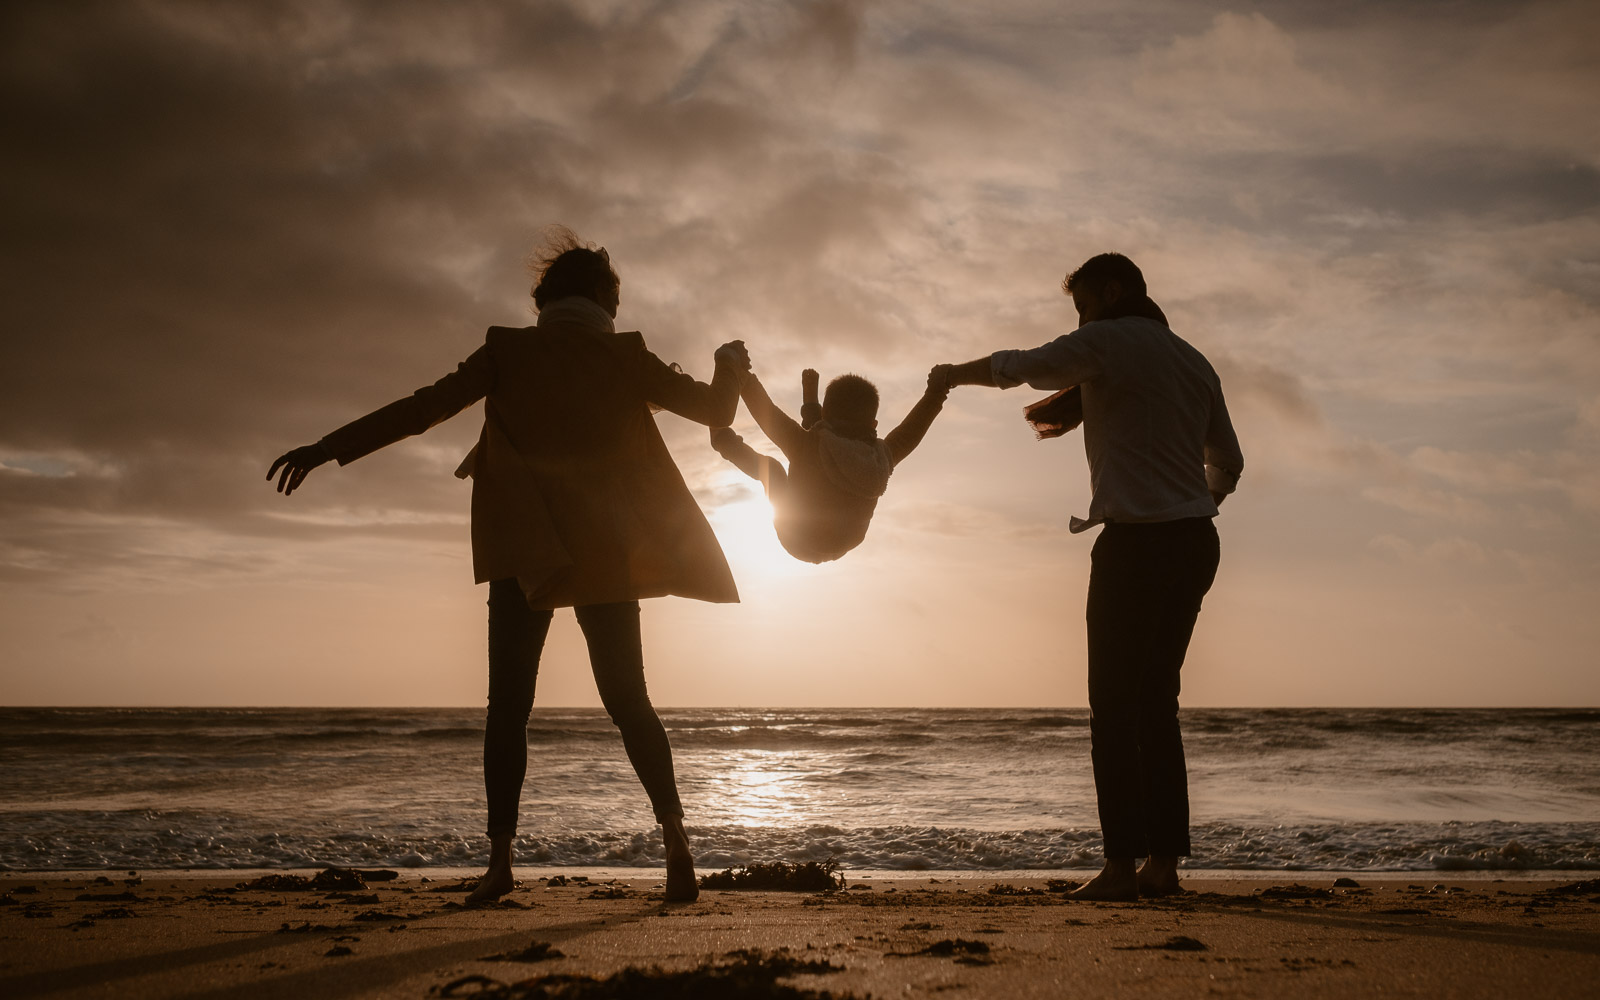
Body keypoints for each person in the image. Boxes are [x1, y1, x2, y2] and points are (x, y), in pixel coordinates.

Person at [267, 228, 749, 904]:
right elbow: (717, 409)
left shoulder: (508, 350)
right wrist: (729, 361)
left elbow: (421, 410)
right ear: (607, 301)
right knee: (628, 699)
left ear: (543, 300)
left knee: (510, 709)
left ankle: (499, 864)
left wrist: (327, 447)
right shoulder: (625, 355)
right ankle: (676, 842)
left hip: (525, 549)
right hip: (604, 549)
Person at [936, 252, 1243, 900]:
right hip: (1196, 542)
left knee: (1113, 706)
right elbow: (1230, 462)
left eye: (1081, 310)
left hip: (1135, 544)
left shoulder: (1107, 342)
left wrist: (951, 375)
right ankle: (1163, 865)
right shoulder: (1195, 361)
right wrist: (1196, 502)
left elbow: (1024, 366)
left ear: (1110, 292)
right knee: (1158, 702)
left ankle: (1118, 868)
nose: (1079, 324)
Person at [708, 363, 949, 563]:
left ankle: (723, 441)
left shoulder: (806, 444)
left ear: (825, 415)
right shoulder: (880, 458)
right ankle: (811, 407)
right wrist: (936, 393)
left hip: (798, 538)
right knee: (819, 448)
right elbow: (911, 431)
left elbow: (768, 415)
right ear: (873, 425)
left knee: (772, 469)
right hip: (843, 544)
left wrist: (742, 376)